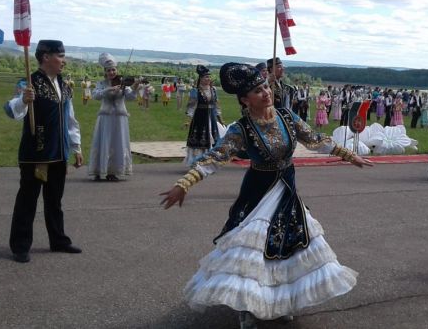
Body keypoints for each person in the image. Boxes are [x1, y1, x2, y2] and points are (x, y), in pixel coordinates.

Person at [159, 63, 372, 328]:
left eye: (265, 88)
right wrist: (184, 184)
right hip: (258, 195)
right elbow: (215, 157)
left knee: (288, 248)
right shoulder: (241, 129)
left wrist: (350, 156)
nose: (266, 93)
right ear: (245, 100)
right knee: (254, 251)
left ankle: (280, 300)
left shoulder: (287, 117)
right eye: (258, 91)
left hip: (287, 192)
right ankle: (247, 306)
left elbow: (316, 139)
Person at [5, 40, 84, 263]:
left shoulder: (65, 85)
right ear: (46, 57)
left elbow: (70, 119)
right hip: (35, 154)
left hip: (59, 153)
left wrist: (76, 147)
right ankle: (20, 246)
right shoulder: (29, 83)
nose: (64, 60)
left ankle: (58, 240)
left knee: (54, 201)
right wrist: (23, 99)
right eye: (60, 55)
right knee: (27, 201)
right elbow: (11, 110)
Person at [87, 53, 138, 182]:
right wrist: (108, 90)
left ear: (117, 70)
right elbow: (95, 96)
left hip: (120, 118)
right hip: (106, 117)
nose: (111, 72)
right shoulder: (102, 83)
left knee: (118, 142)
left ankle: (113, 172)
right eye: (109, 70)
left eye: (113, 69)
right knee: (103, 142)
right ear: (105, 71)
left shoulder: (123, 83)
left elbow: (131, 97)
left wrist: (136, 88)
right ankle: (99, 170)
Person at [184, 65, 222, 165]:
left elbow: (216, 105)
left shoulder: (213, 90)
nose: (208, 79)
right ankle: (197, 161)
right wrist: (188, 120)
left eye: (209, 77)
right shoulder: (195, 91)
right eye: (206, 77)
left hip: (211, 118)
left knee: (212, 138)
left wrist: (220, 119)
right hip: (200, 118)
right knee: (200, 140)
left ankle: (210, 160)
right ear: (200, 79)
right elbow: (191, 107)